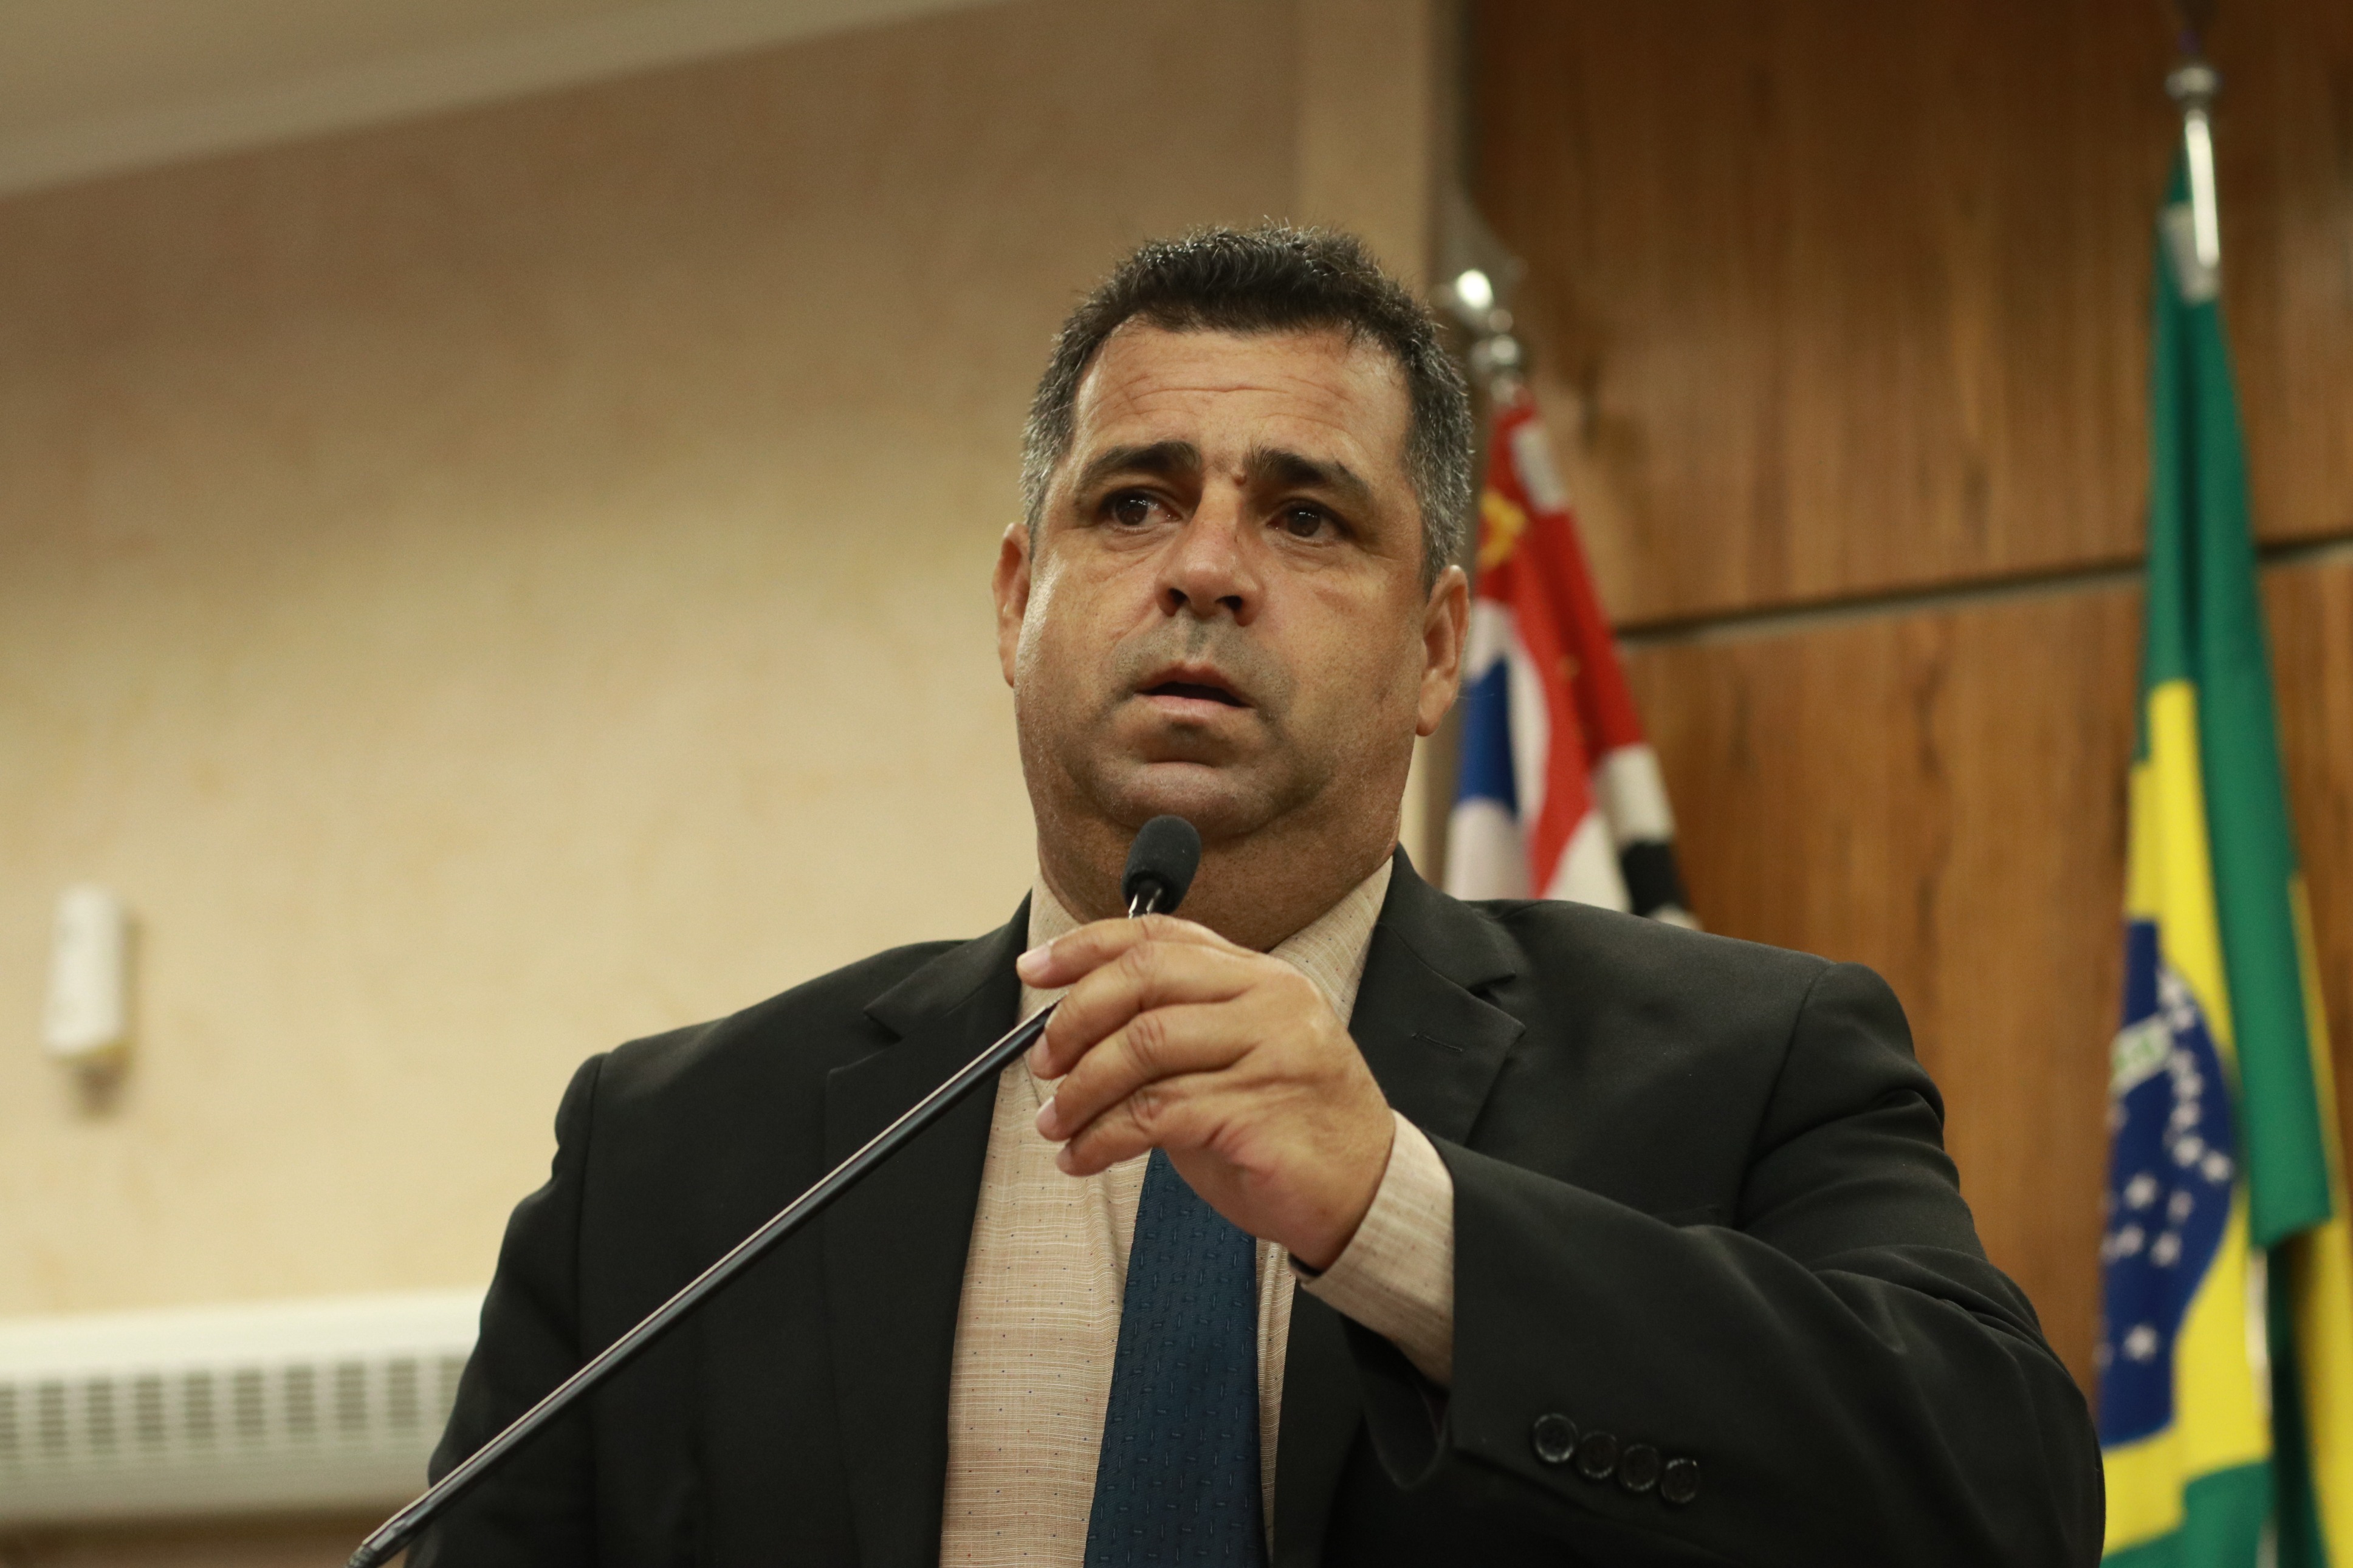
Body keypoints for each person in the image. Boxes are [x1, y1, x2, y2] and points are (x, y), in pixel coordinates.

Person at [416, 225, 2103, 1567]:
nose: (1207, 568)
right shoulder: (675, 1161)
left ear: (1437, 647)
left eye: (1305, 517)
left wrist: (1400, 1214)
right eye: (1134, 502)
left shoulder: (1748, 1062)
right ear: (1017, 600)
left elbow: (2004, 1502)